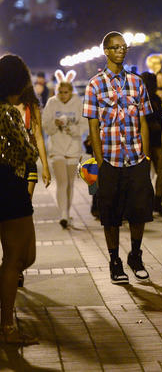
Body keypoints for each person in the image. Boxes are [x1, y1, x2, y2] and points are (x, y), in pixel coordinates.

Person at [83, 31, 154, 284]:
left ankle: (135, 255)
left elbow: (144, 121)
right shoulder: (95, 84)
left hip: (136, 157)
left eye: (123, 47)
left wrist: (145, 155)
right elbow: (93, 127)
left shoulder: (136, 82)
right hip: (110, 159)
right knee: (110, 214)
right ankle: (115, 260)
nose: (121, 51)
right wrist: (99, 161)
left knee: (139, 211)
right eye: (115, 47)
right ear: (106, 51)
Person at [0, 54, 39, 345]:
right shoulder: (9, 112)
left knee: (15, 258)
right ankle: (8, 326)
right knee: (20, 257)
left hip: (8, 185)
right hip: (10, 186)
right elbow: (29, 152)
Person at [42, 70, 88, 229]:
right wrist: (55, 124)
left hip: (73, 148)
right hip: (57, 148)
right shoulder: (52, 103)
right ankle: (62, 214)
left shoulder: (78, 103)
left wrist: (72, 128)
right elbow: (45, 126)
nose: (62, 95)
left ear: (71, 91)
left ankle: (67, 213)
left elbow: (84, 125)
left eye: (66, 92)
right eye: (60, 92)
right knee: (61, 182)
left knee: (70, 183)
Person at [140, 72, 162, 217]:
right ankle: (150, 202)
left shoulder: (155, 98)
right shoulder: (141, 98)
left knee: (161, 171)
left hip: (157, 139)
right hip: (147, 139)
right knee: (147, 173)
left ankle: (156, 201)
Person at [15, 85, 52, 197]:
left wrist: (45, 167)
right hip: (9, 164)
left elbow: (39, 137)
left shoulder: (32, 107)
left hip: (28, 161)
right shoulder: (4, 106)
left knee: (26, 204)